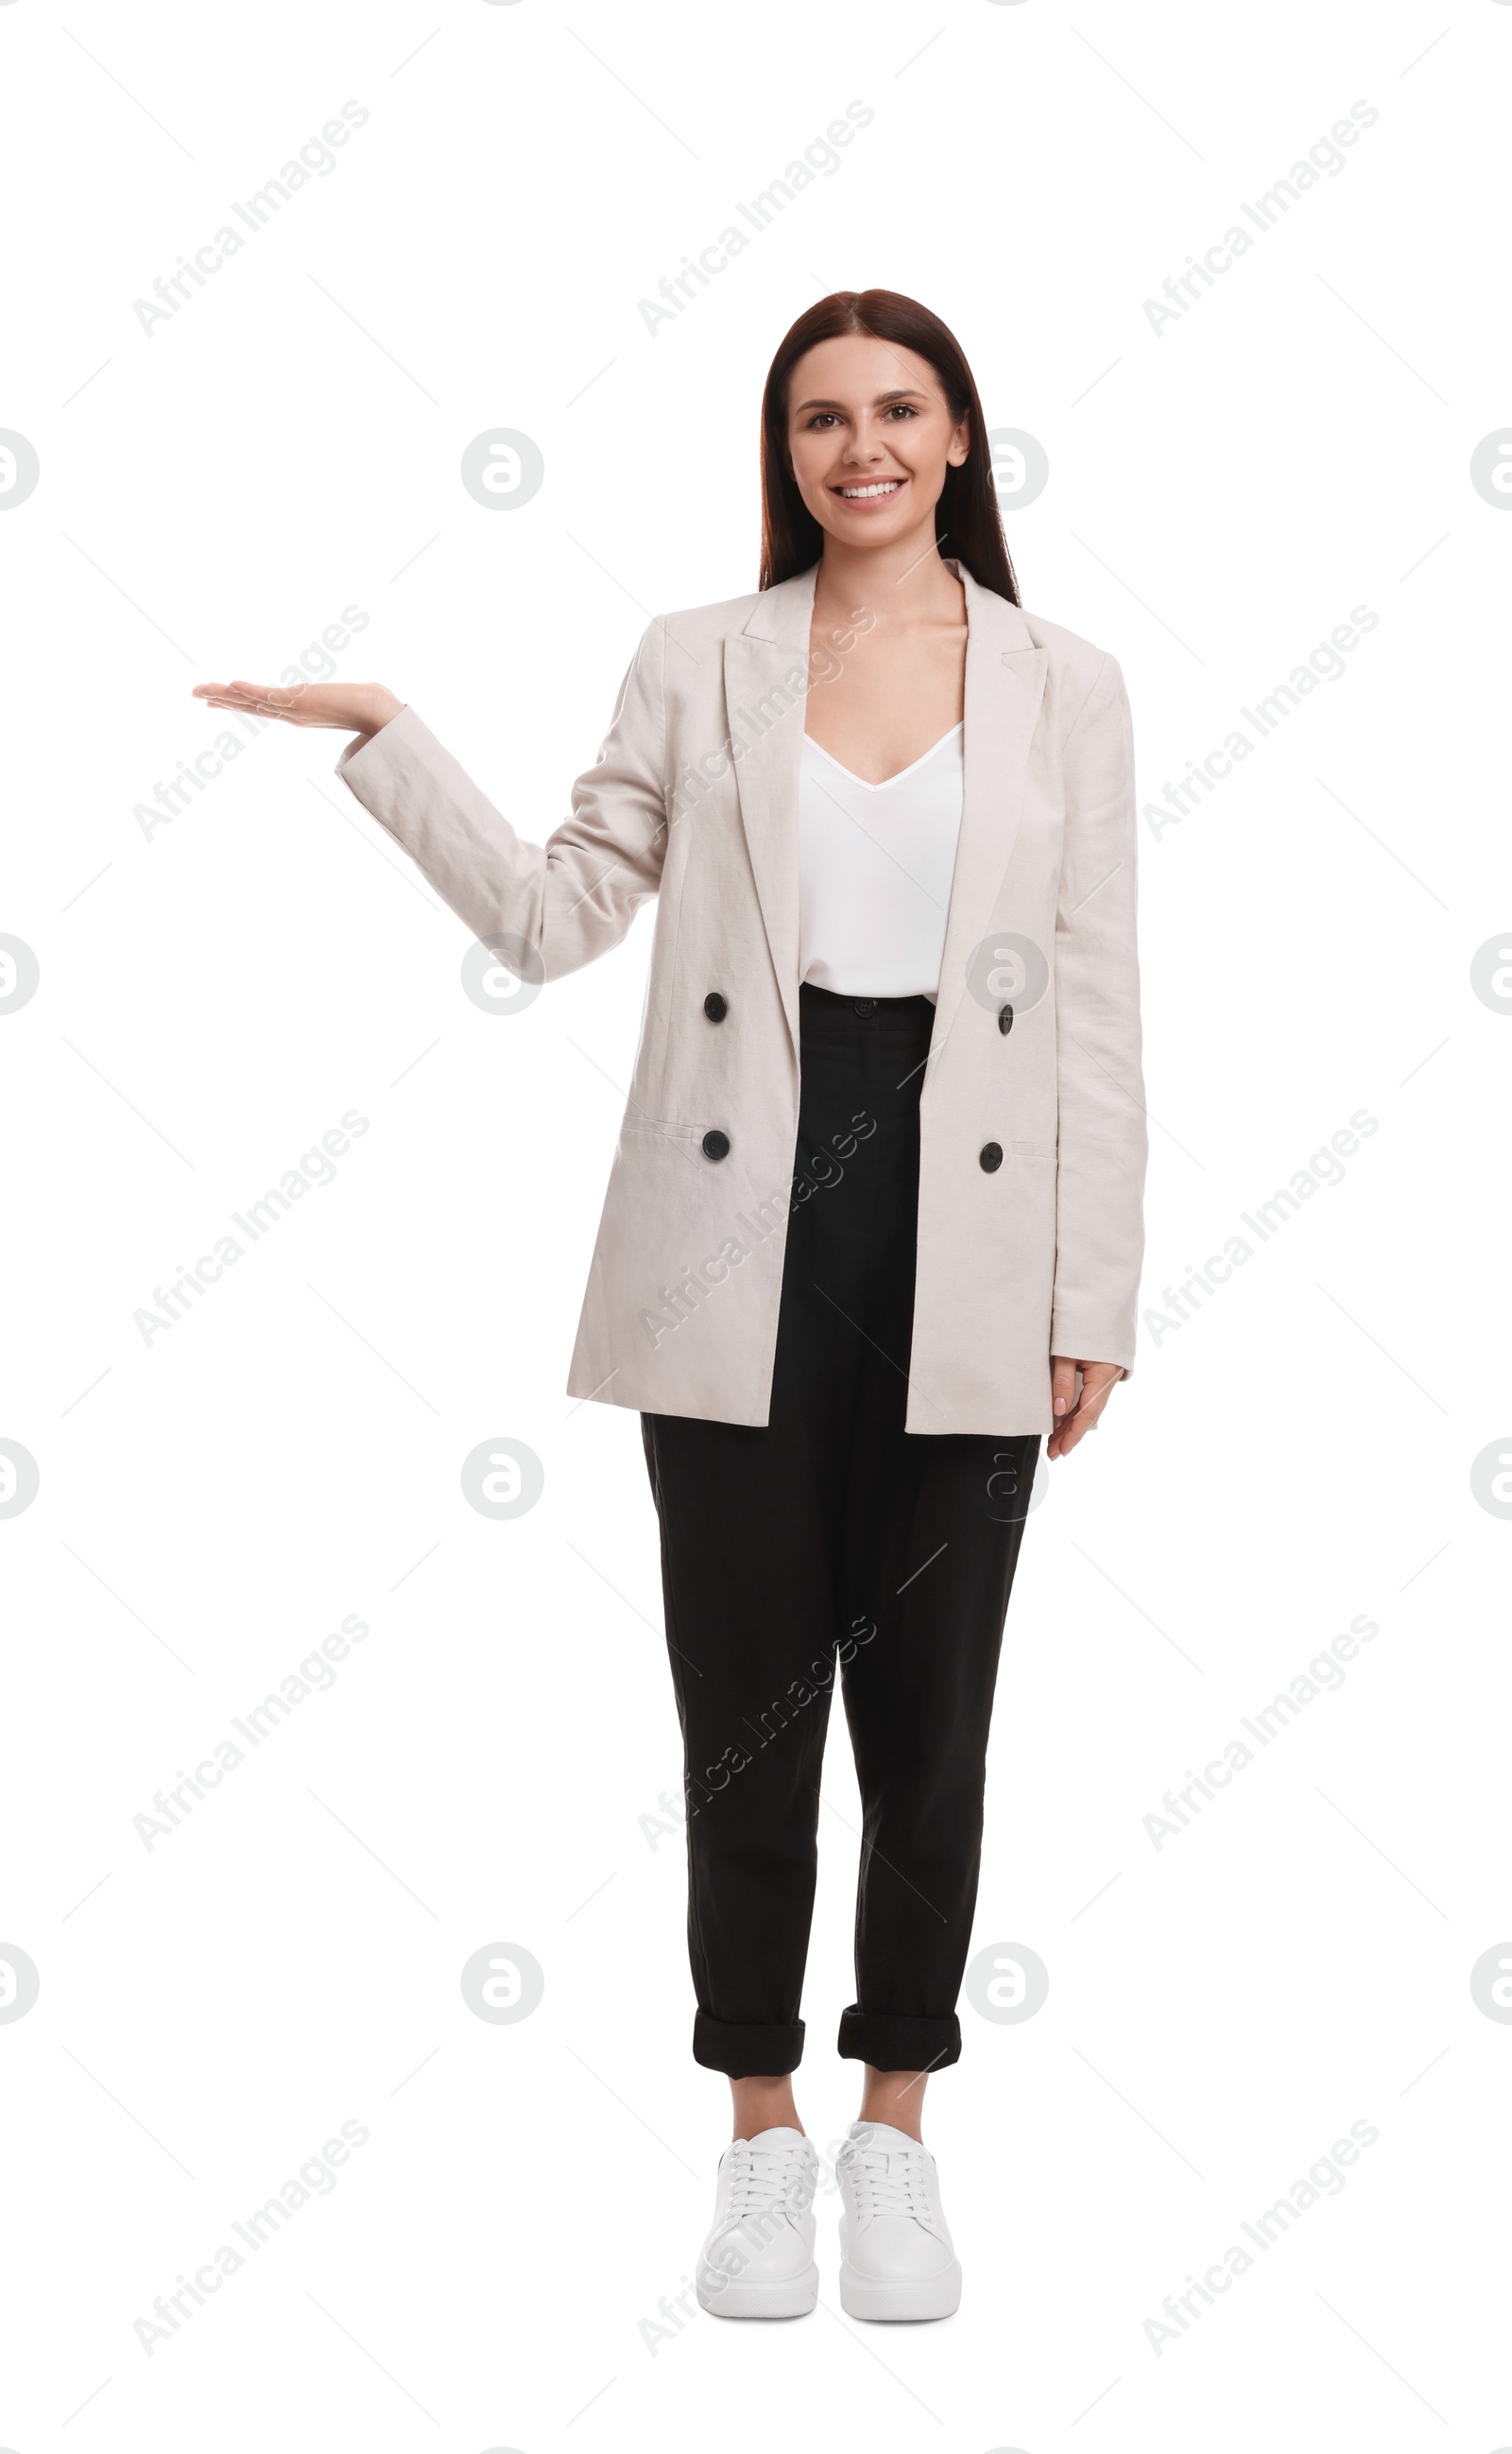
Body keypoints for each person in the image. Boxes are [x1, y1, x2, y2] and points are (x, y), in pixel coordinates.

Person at [194, 287, 1146, 2324]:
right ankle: (756, 2131)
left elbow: (1094, 1006)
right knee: (743, 1715)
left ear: (961, 439)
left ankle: (898, 2127)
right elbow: (554, 914)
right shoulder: (694, 659)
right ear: (781, 449)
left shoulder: (1067, 684)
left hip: (970, 1228)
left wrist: (1096, 1290)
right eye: (820, 417)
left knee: (933, 1716)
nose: (859, 446)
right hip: (732, 1232)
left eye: (898, 411)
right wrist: (387, 738)